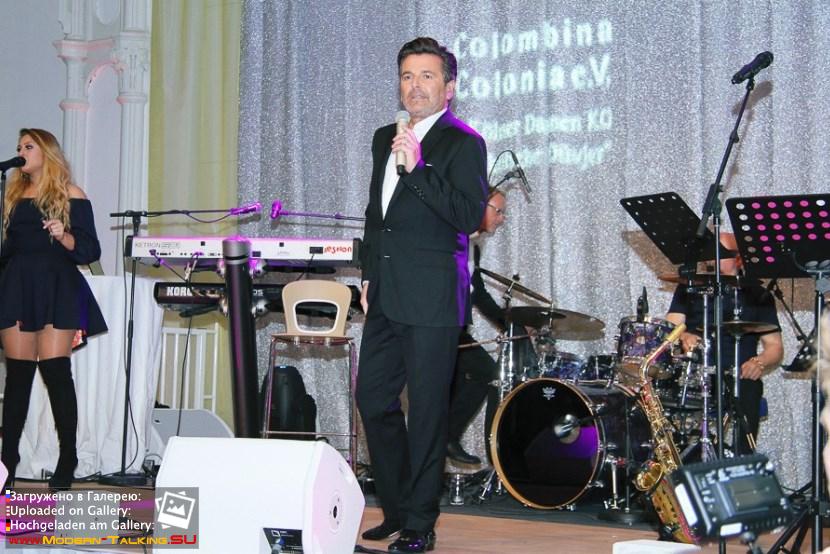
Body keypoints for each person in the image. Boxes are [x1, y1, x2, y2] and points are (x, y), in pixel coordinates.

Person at [356, 37, 487, 553]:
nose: (415, 86)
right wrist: (368, 275)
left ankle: (419, 523)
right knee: (372, 399)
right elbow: (376, 216)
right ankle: (395, 507)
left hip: (432, 298)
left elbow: (468, 216)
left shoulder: (463, 142)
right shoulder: (382, 138)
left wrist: (419, 168)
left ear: (448, 88)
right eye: (407, 76)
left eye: (427, 76)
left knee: (428, 414)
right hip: (386, 294)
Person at [0, 128, 107, 491]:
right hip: (18, 287)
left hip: (57, 286)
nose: (21, 151)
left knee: (56, 372)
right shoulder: (12, 197)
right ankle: (7, 461)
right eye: (19, 147)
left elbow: (90, 250)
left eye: (28, 146)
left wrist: (63, 235)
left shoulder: (70, 194)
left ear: (46, 152)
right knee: (17, 377)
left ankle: (68, 457)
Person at [665, 233, 783, 455]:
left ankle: (742, 458)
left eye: (720, 253)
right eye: (710, 253)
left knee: (749, 389)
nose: (712, 258)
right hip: (696, 372)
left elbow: (775, 346)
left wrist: (759, 362)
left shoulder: (758, 294)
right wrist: (683, 336)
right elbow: (669, 327)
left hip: (738, 374)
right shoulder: (690, 287)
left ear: (739, 259)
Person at [446, 187, 507, 465]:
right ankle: (445, 438)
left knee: (484, 375)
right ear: (479, 207)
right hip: (438, 330)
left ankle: (447, 438)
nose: (502, 218)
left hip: (456, 331)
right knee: (484, 372)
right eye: (499, 211)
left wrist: (510, 323)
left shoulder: (474, 248)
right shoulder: (449, 239)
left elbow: (478, 293)